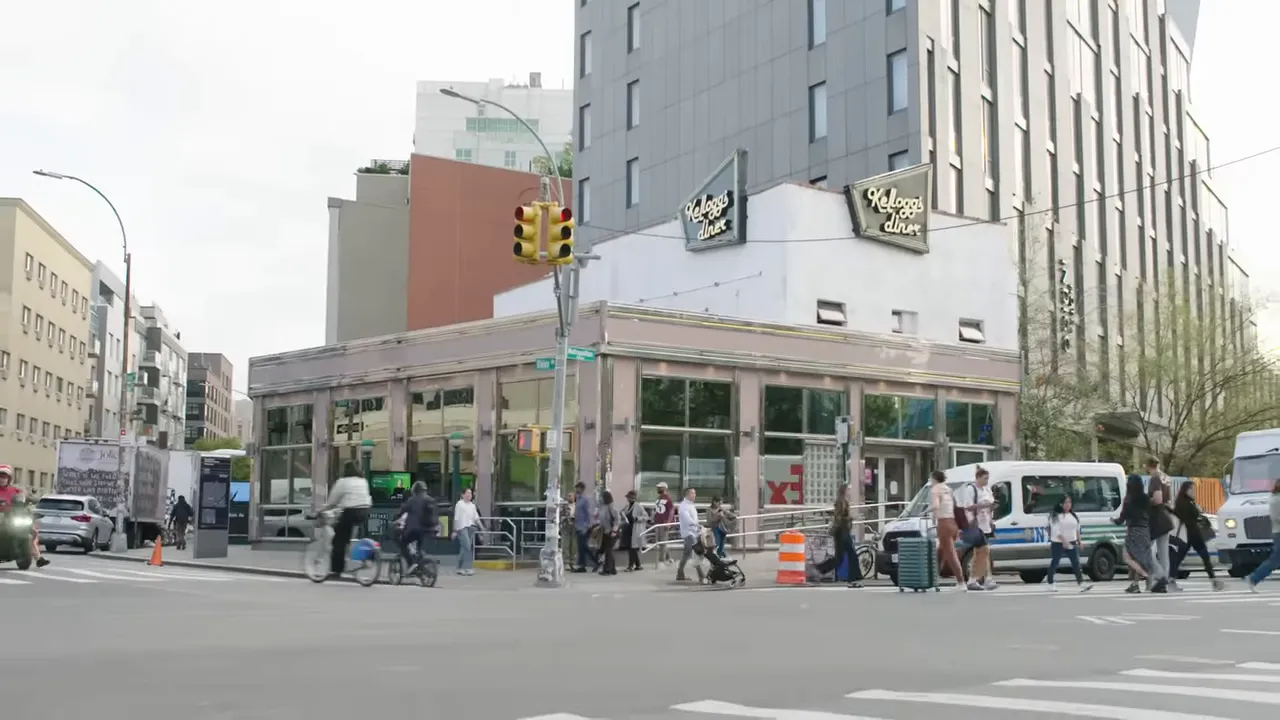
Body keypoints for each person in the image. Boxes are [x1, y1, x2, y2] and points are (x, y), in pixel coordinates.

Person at [321, 462, 373, 579]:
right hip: (365, 510)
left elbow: (332, 502)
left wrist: (320, 510)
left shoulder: (342, 482)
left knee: (338, 541)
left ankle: (336, 570)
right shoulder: (363, 481)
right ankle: (363, 557)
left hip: (351, 511)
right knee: (348, 536)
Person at [1170, 480, 1225, 591]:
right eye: (1191, 489)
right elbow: (1191, 515)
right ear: (1185, 490)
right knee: (1203, 557)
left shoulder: (1184, 502)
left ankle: (1170, 579)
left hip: (1189, 534)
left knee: (1182, 557)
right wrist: (1197, 510)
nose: (1193, 492)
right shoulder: (1185, 503)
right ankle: (1214, 580)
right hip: (1192, 534)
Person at [1114, 474, 1160, 593]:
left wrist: (1114, 521)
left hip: (1133, 531)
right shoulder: (1145, 498)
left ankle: (1145, 574)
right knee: (1139, 558)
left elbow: (1122, 518)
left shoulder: (1128, 499)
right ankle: (1135, 584)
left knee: (1127, 557)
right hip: (1145, 530)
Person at [0, 467, 48, 568]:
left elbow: (27, 496)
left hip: (12, 517)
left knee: (31, 531)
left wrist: (31, 498)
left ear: (9, 479)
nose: (2, 479)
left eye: (5, 477)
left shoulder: (15, 490)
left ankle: (38, 557)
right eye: (0, 477)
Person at [959, 466, 997, 591]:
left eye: (988, 478)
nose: (987, 481)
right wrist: (983, 505)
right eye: (985, 478)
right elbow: (968, 506)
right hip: (975, 524)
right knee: (983, 550)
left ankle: (983, 578)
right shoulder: (971, 489)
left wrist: (991, 508)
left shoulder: (987, 489)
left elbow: (991, 502)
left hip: (985, 523)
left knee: (982, 551)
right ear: (978, 478)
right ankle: (976, 579)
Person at [929, 470, 966, 591]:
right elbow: (953, 505)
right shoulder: (948, 489)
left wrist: (929, 513)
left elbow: (935, 506)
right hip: (952, 522)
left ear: (934, 478)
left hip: (943, 523)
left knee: (950, 554)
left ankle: (961, 582)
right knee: (941, 552)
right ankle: (933, 579)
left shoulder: (935, 489)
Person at [1047, 496, 1093, 592]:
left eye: (1070, 502)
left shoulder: (1073, 515)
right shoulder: (1055, 516)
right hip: (1058, 543)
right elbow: (1056, 531)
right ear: (1061, 504)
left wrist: (1079, 541)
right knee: (1055, 562)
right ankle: (1050, 582)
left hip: (1071, 542)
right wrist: (1064, 541)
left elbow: (1077, 529)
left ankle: (1081, 583)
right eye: (1066, 502)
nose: (1068, 504)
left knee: (1076, 563)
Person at [1146, 457, 1176, 591]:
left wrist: (1146, 501)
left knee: (1145, 550)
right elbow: (1169, 501)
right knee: (1164, 553)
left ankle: (1161, 576)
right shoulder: (1166, 478)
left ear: (1148, 466)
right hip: (1166, 517)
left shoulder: (1155, 478)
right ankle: (1163, 583)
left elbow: (1157, 499)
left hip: (1156, 518)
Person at [1245, 478, 1280, 592]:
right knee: (1275, 560)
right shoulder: (1276, 500)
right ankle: (1254, 578)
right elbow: (1276, 517)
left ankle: (1254, 578)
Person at [395, 481, 436, 572]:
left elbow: (402, 511)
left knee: (403, 543)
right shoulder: (430, 500)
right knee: (419, 547)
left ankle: (411, 564)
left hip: (413, 529)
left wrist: (395, 518)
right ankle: (420, 564)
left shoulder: (412, 500)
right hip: (428, 530)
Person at [831, 485, 863, 588]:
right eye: (848, 490)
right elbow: (840, 517)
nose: (850, 492)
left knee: (839, 558)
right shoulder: (842, 502)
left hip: (842, 531)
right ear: (844, 491)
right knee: (852, 555)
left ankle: (818, 570)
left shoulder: (842, 501)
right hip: (842, 531)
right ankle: (853, 579)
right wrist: (852, 518)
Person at [676, 488, 704, 583]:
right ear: (687, 494)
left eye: (695, 493)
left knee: (687, 554)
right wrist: (697, 525)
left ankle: (680, 573)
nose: (695, 495)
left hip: (693, 532)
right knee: (695, 553)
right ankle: (701, 575)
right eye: (693, 493)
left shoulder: (690, 505)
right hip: (689, 533)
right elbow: (688, 519)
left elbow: (694, 518)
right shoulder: (684, 506)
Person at [452, 486, 481, 576]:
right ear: (463, 495)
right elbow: (456, 518)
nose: (469, 495)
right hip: (461, 528)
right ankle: (468, 568)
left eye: (470, 493)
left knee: (464, 548)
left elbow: (476, 518)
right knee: (467, 546)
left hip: (470, 528)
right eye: (467, 493)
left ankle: (459, 568)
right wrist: (454, 530)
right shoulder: (459, 504)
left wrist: (482, 527)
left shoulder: (472, 505)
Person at [572, 482, 597, 573]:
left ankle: (596, 561)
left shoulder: (585, 500)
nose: (576, 490)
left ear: (582, 489)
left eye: (577, 488)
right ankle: (582, 566)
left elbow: (588, 514)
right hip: (578, 526)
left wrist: (587, 526)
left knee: (584, 546)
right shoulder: (577, 499)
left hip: (584, 527)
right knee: (581, 547)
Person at [621, 490, 649, 571]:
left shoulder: (638, 506)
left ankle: (630, 566)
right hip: (628, 529)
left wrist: (637, 518)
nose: (627, 499)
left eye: (629, 497)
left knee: (632, 548)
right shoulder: (627, 506)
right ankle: (638, 565)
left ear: (633, 498)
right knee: (631, 547)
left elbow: (646, 516)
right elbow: (623, 513)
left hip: (635, 529)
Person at [652, 482, 676, 565]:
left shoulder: (668, 499)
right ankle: (668, 558)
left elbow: (671, 511)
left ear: (665, 488)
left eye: (660, 487)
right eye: (658, 487)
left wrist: (668, 523)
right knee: (661, 541)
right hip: (658, 522)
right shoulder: (658, 498)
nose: (658, 489)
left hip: (664, 523)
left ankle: (661, 560)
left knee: (663, 541)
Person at [597, 490, 620, 576]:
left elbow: (617, 519)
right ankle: (612, 569)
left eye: (601, 497)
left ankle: (607, 569)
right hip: (605, 531)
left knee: (608, 550)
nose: (600, 498)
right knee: (608, 550)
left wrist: (614, 530)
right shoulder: (604, 506)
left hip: (612, 531)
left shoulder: (612, 507)